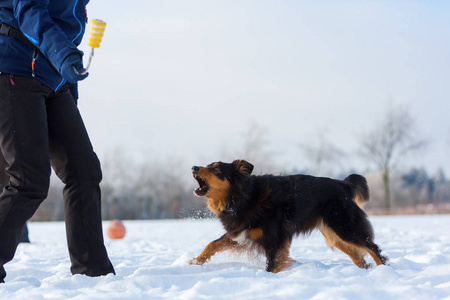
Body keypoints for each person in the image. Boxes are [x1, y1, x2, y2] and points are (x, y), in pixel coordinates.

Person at [0, 0, 115, 283]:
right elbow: (28, 10)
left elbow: (66, 31)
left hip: (52, 78)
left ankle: (94, 272)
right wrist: (64, 56)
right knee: (28, 180)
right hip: (14, 64)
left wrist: (69, 85)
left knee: (83, 171)